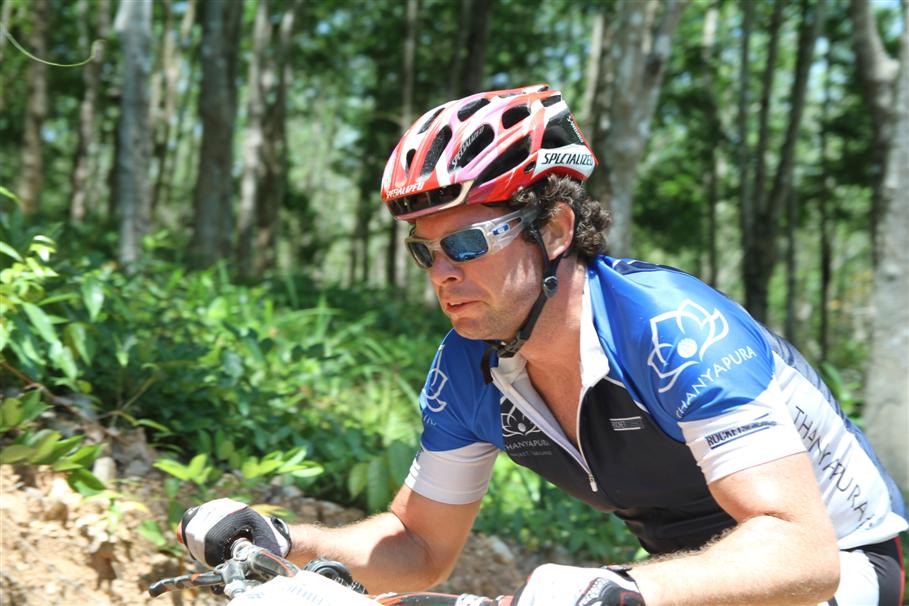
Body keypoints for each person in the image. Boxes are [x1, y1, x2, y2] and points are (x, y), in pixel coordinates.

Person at [178, 85, 907, 606]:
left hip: (844, 567)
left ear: (554, 229)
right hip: (681, 574)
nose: (442, 272)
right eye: (424, 250)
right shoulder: (468, 365)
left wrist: (624, 588)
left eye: (467, 242)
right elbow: (417, 546)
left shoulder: (671, 328)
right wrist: (283, 539)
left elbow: (800, 552)